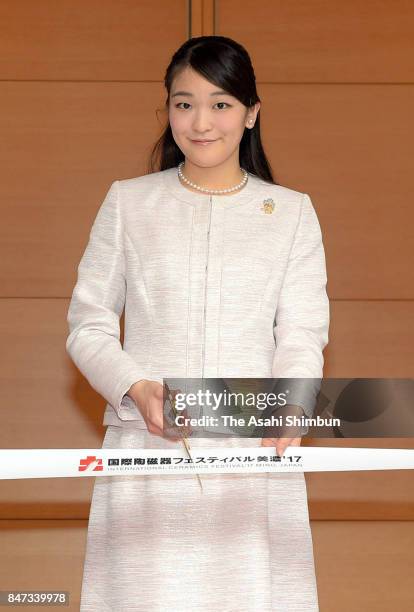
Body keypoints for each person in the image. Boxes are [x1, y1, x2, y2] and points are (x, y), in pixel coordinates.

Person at [66, 35, 329, 612]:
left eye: (221, 104)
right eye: (184, 104)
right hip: (147, 450)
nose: (201, 122)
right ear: (167, 111)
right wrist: (135, 385)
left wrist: (292, 399)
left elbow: (303, 334)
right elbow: (88, 325)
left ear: (252, 113)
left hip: (255, 459)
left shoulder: (291, 214)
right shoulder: (128, 202)